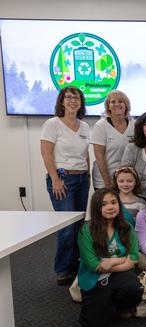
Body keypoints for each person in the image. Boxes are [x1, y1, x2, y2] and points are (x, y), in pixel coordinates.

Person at [40, 86, 90, 285]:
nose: (72, 100)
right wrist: (55, 179)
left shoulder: (85, 127)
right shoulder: (52, 124)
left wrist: (88, 176)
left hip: (81, 179)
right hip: (62, 179)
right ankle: (62, 269)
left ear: (81, 102)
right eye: (68, 97)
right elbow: (46, 153)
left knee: (79, 225)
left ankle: (75, 266)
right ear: (61, 101)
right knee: (66, 227)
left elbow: (86, 155)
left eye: (76, 97)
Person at [77, 189, 143, 327]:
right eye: (104, 204)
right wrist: (123, 261)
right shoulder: (86, 230)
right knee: (94, 325)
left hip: (119, 274)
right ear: (96, 208)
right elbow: (94, 265)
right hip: (95, 278)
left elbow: (133, 258)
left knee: (133, 289)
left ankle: (118, 304)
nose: (110, 207)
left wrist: (113, 261)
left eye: (114, 202)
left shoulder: (127, 227)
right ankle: (104, 302)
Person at [90, 90, 135, 189]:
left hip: (126, 181)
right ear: (108, 106)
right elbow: (99, 157)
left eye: (120, 101)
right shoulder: (101, 126)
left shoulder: (134, 125)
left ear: (126, 105)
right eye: (113, 102)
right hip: (105, 180)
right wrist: (107, 183)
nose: (117, 104)